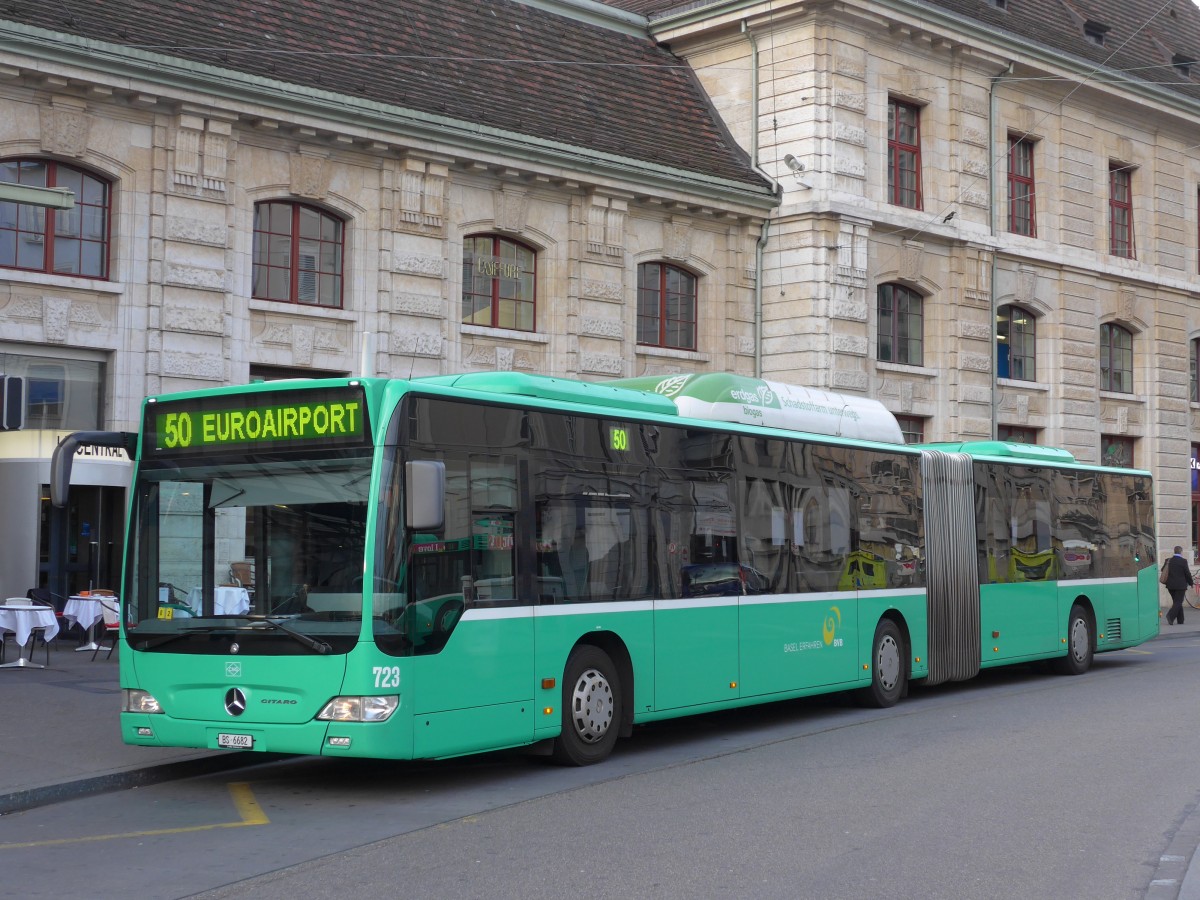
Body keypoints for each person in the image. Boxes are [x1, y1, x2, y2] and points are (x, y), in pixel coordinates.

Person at [1163, 546, 1194, 626]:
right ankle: (1170, 616)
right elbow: (1187, 573)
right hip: (1180, 586)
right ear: (1181, 552)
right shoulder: (1183, 561)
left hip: (1170, 585)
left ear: (1174, 551)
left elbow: (1163, 570)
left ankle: (1180, 620)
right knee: (1178, 602)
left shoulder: (1168, 560)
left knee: (1177, 602)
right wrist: (1191, 583)